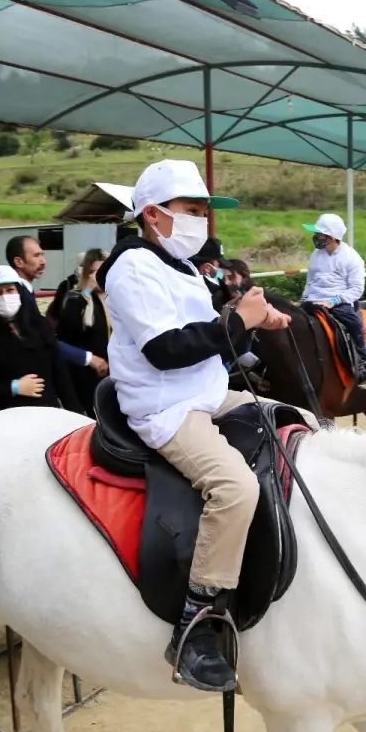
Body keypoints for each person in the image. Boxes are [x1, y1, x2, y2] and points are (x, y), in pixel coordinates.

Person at [98, 158, 293, 693]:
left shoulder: (181, 266)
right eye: (192, 210)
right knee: (234, 488)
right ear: (154, 215)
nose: (202, 221)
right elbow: (166, 350)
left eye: (205, 211)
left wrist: (253, 326)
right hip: (166, 406)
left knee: (298, 425)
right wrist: (237, 321)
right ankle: (197, 619)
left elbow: (215, 341)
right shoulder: (131, 268)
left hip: (205, 394)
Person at [0, 266, 83, 415]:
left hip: (47, 415)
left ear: (19, 292)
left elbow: (60, 374)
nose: (4, 297)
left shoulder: (40, 325)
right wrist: (13, 388)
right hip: (5, 419)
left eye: (10, 290)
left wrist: (76, 414)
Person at [7, 234, 108, 378]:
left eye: (42, 255)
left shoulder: (26, 292)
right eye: (36, 256)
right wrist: (87, 358)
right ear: (19, 262)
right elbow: (46, 337)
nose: (43, 261)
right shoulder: (15, 296)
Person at [301, 213, 366, 389]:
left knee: (353, 324)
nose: (315, 237)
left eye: (319, 234)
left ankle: (364, 367)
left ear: (331, 236)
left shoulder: (352, 258)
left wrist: (334, 301)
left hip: (338, 302)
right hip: (313, 299)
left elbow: (356, 290)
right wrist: (304, 299)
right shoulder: (316, 254)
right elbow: (310, 280)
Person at [55, 249, 111, 417]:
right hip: (87, 373)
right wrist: (86, 290)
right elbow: (65, 332)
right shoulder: (76, 298)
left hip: (115, 372)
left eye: (103, 271)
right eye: (93, 272)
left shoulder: (115, 297)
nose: (99, 276)